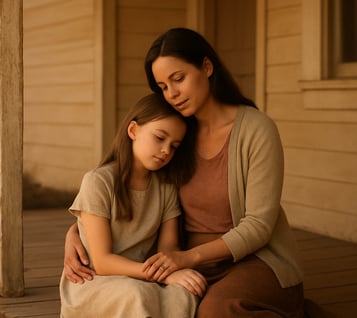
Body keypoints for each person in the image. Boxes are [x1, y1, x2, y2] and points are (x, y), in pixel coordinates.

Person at [64, 28, 305, 317]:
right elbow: (131, 190)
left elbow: (259, 226)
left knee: (213, 312)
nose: (172, 94)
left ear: (206, 66)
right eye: (163, 86)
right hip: (184, 263)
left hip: (252, 259)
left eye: (178, 79)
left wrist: (187, 258)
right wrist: (77, 233)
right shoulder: (177, 135)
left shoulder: (256, 130)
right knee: (177, 304)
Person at [59, 93, 207, 318]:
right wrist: (162, 276)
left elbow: (168, 249)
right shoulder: (99, 181)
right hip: (95, 280)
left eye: (174, 146)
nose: (166, 150)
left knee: (184, 293)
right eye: (159, 138)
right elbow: (102, 262)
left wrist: (172, 272)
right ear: (133, 131)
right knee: (136, 294)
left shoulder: (165, 187)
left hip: (143, 276)